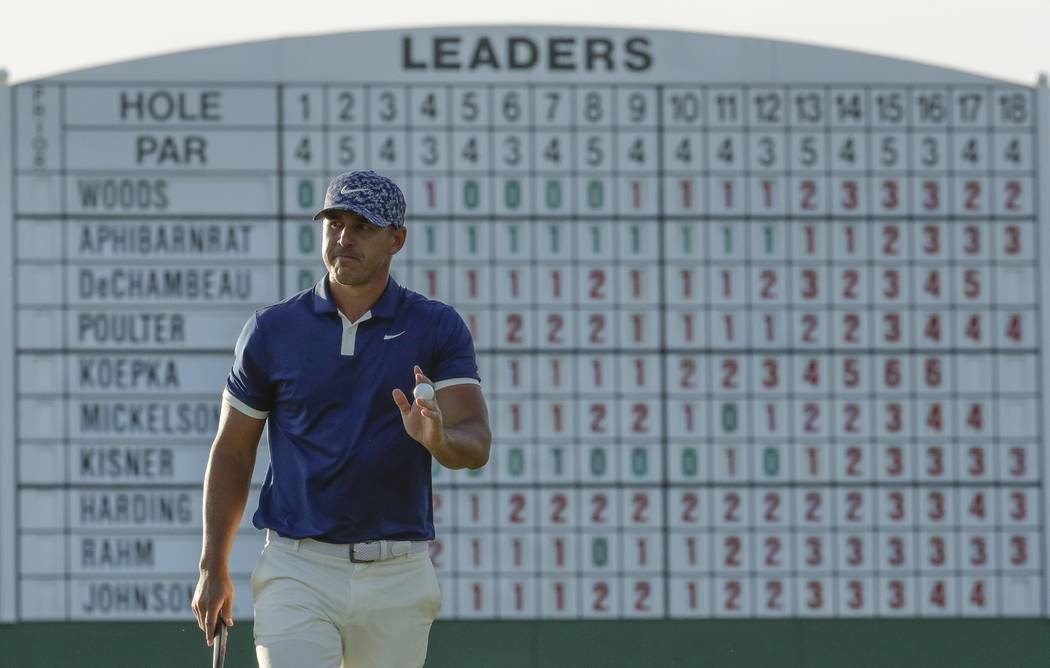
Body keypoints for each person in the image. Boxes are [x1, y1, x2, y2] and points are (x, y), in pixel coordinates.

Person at [191, 169, 491, 668]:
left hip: (398, 573)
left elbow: (476, 443)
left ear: (397, 239)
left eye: (363, 227)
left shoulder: (436, 326)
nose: (344, 238)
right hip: (296, 567)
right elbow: (233, 448)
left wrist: (437, 439)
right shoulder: (272, 330)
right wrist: (212, 563)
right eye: (335, 224)